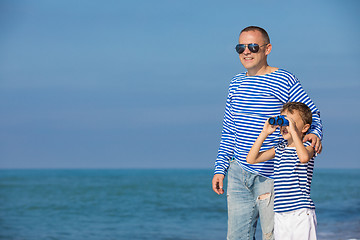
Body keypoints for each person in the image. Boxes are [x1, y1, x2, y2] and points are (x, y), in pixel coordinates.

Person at [212, 26, 323, 240]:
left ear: (267, 49)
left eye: (253, 46)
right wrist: (220, 168)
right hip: (238, 172)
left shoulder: (284, 79)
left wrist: (315, 134)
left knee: (272, 236)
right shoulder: (235, 83)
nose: (246, 52)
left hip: (272, 173)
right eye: (240, 47)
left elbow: (312, 113)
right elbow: (229, 130)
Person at [247, 102, 318, 240]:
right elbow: (251, 159)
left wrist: (294, 132)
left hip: (301, 212)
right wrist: (264, 133)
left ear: (305, 128)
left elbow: (303, 158)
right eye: (283, 122)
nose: (285, 127)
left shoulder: (308, 146)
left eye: (290, 122)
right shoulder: (279, 148)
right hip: (280, 213)